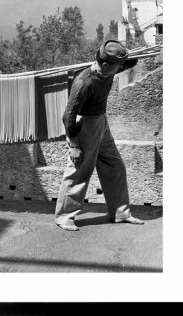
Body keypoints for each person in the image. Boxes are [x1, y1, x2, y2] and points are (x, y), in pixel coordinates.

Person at [55, 40, 144, 231]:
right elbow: (67, 116)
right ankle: (64, 216)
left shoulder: (109, 68)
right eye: (117, 66)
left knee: (115, 165)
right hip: (87, 125)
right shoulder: (84, 82)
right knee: (79, 171)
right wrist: (74, 146)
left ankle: (120, 213)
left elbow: (130, 62)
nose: (120, 69)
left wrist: (127, 55)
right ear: (104, 64)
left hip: (102, 123)